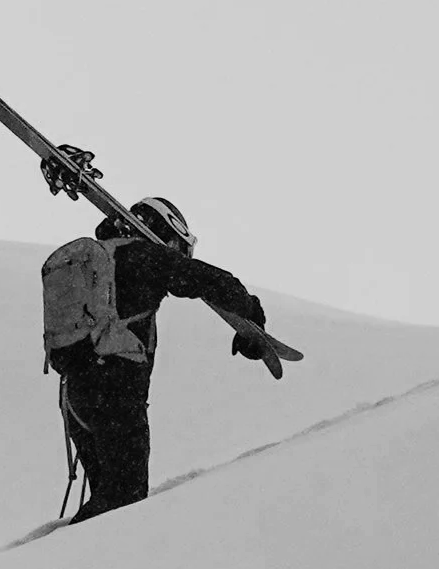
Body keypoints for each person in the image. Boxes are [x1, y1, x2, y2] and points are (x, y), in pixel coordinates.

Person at [40, 166, 276, 517]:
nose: (179, 254)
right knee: (124, 502)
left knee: (107, 503)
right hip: (116, 393)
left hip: (75, 397)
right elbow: (212, 281)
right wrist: (251, 318)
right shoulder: (143, 256)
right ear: (167, 231)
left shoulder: (101, 258)